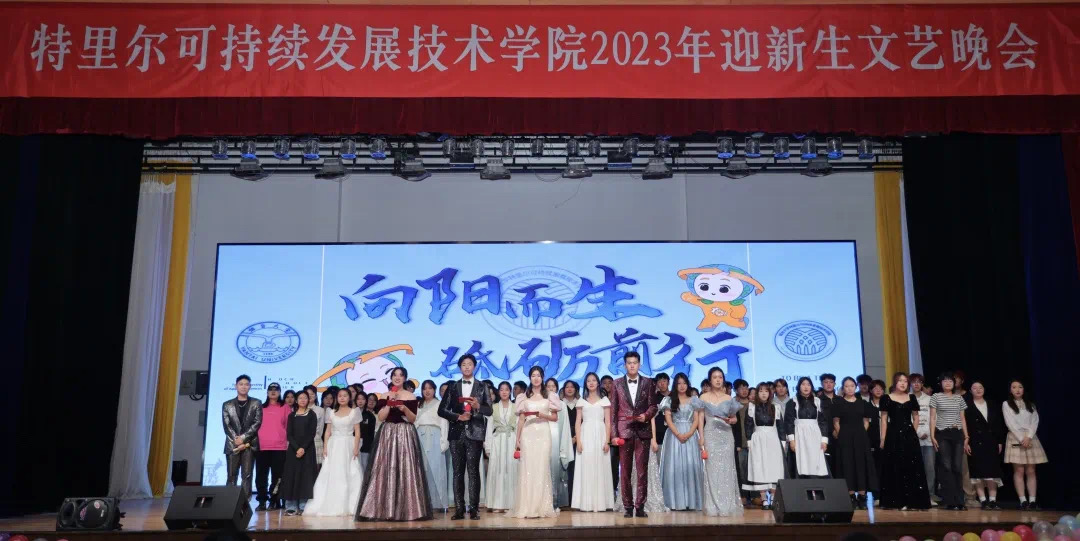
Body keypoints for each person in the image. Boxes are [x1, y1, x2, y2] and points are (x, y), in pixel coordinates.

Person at [356, 366, 433, 521]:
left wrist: (404, 408)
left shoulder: (410, 396)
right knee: (385, 469)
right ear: (391, 378)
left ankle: (409, 510)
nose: (397, 377)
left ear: (404, 378)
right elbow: (381, 417)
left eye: (401, 375)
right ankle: (383, 510)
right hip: (388, 433)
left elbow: (412, 419)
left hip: (405, 433)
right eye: (395, 375)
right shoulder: (384, 395)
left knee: (407, 469)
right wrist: (389, 404)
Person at [437, 354, 493, 520]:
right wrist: (457, 417)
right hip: (456, 434)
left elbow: (489, 410)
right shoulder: (453, 387)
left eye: (469, 364)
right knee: (457, 472)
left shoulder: (482, 386)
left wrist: (478, 406)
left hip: (475, 433)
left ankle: (474, 509)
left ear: (474, 366)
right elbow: (441, 410)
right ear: (460, 367)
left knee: (474, 471)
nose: (467, 367)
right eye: (463, 364)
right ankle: (459, 509)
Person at [609, 352, 658, 518]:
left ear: (639, 365)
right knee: (625, 472)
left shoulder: (648, 382)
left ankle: (640, 506)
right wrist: (614, 435)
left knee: (642, 471)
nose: (632, 365)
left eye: (635, 362)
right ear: (625, 365)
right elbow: (613, 411)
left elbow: (653, 406)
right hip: (624, 432)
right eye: (629, 363)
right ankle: (628, 507)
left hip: (643, 431)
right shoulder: (616, 383)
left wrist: (646, 415)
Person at [510, 366, 562, 518]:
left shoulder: (550, 396)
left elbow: (555, 418)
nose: (536, 378)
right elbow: (521, 419)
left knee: (542, 467)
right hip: (528, 433)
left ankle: (541, 506)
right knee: (528, 468)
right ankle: (527, 506)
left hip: (543, 433)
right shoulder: (523, 397)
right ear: (530, 378)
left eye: (538, 375)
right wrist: (517, 439)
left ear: (542, 377)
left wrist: (542, 415)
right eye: (533, 375)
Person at [691, 367, 743, 517]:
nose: (718, 380)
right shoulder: (703, 397)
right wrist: (701, 438)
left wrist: (731, 420)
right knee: (712, 470)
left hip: (726, 436)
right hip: (710, 435)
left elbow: (734, 418)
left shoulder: (729, 398)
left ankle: (727, 505)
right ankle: (713, 505)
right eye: (715, 377)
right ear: (710, 380)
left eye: (720, 377)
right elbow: (700, 419)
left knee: (727, 470)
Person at [304, 388, 363, 516]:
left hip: (348, 444)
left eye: (345, 396)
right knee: (331, 472)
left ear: (349, 398)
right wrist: (325, 447)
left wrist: (356, 447)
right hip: (334, 445)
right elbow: (327, 431)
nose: (342, 398)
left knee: (349, 472)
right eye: (340, 396)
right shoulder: (331, 412)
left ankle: (350, 505)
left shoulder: (355, 412)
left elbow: (357, 432)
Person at [878, 373, 931, 510]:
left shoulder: (911, 397)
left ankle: (913, 501)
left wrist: (912, 431)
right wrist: (883, 438)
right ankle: (896, 500)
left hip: (909, 435)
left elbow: (916, 416)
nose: (903, 383)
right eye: (900, 381)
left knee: (912, 466)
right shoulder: (886, 398)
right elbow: (884, 419)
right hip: (892, 435)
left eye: (905, 381)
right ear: (895, 382)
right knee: (894, 465)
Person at [571, 372, 616, 512]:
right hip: (585, 435)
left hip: (601, 435)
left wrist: (607, 441)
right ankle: (585, 502)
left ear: (598, 383)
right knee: (586, 466)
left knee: (601, 466)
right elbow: (578, 423)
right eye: (588, 381)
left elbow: (608, 422)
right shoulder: (581, 401)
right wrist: (579, 441)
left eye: (594, 380)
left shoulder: (604, 401)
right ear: (585, 384)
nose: (591, 383)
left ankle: (602, 502)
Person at [832, 377, 878, 509]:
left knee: (861, 465)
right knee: (847, 465)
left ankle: (862, 497)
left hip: (861, 438)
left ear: (855, 387)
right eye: (847, 386)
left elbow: (866, 421)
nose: (849, 388)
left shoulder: (862, 403)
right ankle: (851, 496)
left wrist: (861, 433)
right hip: (844, 438)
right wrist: (842, 435)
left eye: (852, 386)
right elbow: (836, 422)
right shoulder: (838, 403)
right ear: (843, 388)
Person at [659, 373, 702, 510]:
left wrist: (689, 433)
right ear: (675, 385)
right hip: (673, 435)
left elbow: (696, 419)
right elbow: (668, 419)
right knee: (675, 466)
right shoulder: (669, 400)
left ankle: (691, 501)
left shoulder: (694, 400)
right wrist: (678, 434)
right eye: (679, 383)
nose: (682, 386)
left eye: (684, 383)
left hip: (690, 435)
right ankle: (674, 501)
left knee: (690, 465)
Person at [1002, 379, 1046, 510]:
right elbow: (1010, 422)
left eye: (1020, 387)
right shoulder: (1006, 404)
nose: (1017, 390)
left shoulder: (1030, 405)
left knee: (1031, 470)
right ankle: (1023, 500)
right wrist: (1022, 438)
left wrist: (1029, 436)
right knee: (1019, 470)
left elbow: (1035, 421)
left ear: (1024, 389)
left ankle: (1032, 500)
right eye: (1014, 387)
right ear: (1010, 390)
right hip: (1016, 437)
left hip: (1030, 437)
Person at [929, 372, 970, 510]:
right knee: (946, 466)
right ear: (940, 383)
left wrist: (966, 436)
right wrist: (932, 435)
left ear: (954, 383)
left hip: (957, 433)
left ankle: (960, 501)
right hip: (942, 433)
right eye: (945, 381)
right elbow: (933, 417)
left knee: (957, 467)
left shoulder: (959, 398)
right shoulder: (936, 396)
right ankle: (950, 500)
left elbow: (963, 418)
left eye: (950, 381)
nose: (947, 383)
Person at [744, 382, 786, 510]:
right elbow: (748, 425)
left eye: (766, 391)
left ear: (770, 393)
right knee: (759, 468)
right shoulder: (752, 407)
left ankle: (773, 499)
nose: (763, 394)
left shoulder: (775, 407)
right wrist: (749, 442)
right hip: (758, 439)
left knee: (774, 468)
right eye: (761, 391)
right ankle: (764, 500)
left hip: (773, 439)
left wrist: (783, 443)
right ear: (757, 393)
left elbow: (780, 426)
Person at [222, 374, 262, 503]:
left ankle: (244, 504)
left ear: (250, 386)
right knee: (231, 475)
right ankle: (229, 502)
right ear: (236, 386)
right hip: (232, 444)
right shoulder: (227, 405)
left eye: (246, 384)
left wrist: (244, 438)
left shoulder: (256, 403)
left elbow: (257, 423)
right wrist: (236, 439)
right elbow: (227, 425)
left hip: (249, 445)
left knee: (247, 475)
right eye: (241, 384)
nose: (244, 386)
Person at [965, 380, 1004, 509]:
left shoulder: (991, 404)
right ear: (970, 391)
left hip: (991, 440)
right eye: (975, 388)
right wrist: (966, 441)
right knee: (978, 472)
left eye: (980, 387)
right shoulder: (967, 405)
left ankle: (992, 500)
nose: (978, 390)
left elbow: (998, 423)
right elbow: (965, 425)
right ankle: (983, 500)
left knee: (992, 472)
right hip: (975, 441)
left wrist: (999, 441)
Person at [784, 377, 830, 478]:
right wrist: (792, 440)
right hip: (799, 435)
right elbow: (789, 422)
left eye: (808, 384)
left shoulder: (817, 401)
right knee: (801, 461)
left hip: (815, 435)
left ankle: (817, 486)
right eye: (803, 384)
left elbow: (822, 422)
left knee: (816, 461)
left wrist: (824, 440)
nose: (806, 387)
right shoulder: (792, 402)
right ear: (799, 387)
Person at [281, 391, 317, 515]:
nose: (302, 400)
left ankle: (303, 505)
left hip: (307, 450)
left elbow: (311, 434)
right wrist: (297, 448)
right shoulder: (292, 415)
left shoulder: (312, 414)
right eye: (300, 398)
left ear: (308, 400)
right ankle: (290, 505)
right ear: (296, 400)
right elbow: (289, 434)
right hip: (293, 450)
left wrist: (303, 448)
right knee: (291, 476)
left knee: (305, 477)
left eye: (305, 398)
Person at [416, 380, 450, 512]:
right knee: (421, 471)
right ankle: (422, 504)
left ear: (434, 390)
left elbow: (444, 423)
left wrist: (444, 441)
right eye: (424, 388)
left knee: (436, 470)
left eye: (430, 388)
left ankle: (438, 503)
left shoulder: (440, 404)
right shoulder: (419, 405)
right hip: (420, 436)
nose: (427, 391)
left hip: (435, 437)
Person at [485, 382, 518, 512]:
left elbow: (519, 426)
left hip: (511, 439)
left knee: (511, 469)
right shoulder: (493, 407)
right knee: (497, 470)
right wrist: (488, 446)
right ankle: (497, 504)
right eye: (502, 390)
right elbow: (489, 428)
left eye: (507, 389)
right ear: (498, 392)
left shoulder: (516, 407)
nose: (504, 392)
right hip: (497, 440)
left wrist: (519, 443)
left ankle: (512, 504)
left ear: (510, 392)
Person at [256, 382, 289, 511]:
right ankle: (262, 501)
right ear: (267, 392)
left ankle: (274, 500)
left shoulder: (285, 407)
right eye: (270, 390)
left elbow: (288, 426)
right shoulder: (260, 407)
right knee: (261, 476)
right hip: (262, 446)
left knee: (277, 476)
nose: (273, 392)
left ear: (280, 392)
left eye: (276, 390)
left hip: (279, 447)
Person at [544, 377, 573, 508]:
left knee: (557, 469)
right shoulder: (542, 403)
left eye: (553, 386)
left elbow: (565, 426)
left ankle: (557, 501)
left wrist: (564, 446)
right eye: (548, 386)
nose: (551, 389)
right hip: (544, 439)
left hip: (558, 440)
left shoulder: (562, 405)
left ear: (557, 388)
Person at [909, 373, 936, 505]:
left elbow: (933, 417)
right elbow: (907, 418)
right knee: (914, 467)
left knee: (930, 468)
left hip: (929, 439)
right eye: (914, 382)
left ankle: (929, 495)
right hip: (913, 438)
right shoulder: (907, 398)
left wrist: (928, 432)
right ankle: (914, 495)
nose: (916, 384)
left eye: (919, 382)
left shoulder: (930, 399)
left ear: (922, 384)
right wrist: (918, 432)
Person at [731, 379, 753, 506]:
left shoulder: (753, 405)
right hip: (740, 444)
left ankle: (755, 495)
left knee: (753, 470)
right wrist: (736, 443)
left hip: (753, 443)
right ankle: (743, 495)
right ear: (736, 390)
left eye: (746, 388)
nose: (744, 390)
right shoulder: (733, 406)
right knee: (741, 471)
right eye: (741, 388)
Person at [562, 380, 580, 505]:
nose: (569, 389)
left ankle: (574, 499)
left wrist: (575, 437)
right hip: (563, 437)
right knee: (564, 468)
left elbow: (583, 422)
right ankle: (564, 499)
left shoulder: (580, 403)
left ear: (576, 389)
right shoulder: (560, 404)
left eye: (572, 387)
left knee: (575, 469)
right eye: (567, 387)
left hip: (577, 438)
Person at [600, 374, 619, 498]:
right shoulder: (598, 400)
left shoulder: (618, 399)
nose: (607, 385)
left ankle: (612, 489)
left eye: (610, 382)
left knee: (613, 464)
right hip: (600, 435)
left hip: (615, 436)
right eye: (604, 383)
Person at [817, 373, 839, 474]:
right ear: (822, 384)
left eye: (831, 382)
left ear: (835, 384)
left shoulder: (840, 399)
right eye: (826, 382)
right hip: (824, 436)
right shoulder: (818, 401)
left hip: (840, 435)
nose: (829, 384)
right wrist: (831, 430)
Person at [772, 379, 793, 479]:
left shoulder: (793, 402)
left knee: (791, 463)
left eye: (783, 386)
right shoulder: (771, 403)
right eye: (778, 386)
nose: (781, 389)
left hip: (792, 437)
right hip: (776, 436)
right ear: (775, 389)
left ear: (787, 388)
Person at [867, 380, 886, 485]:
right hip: (872, 442)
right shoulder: (867, 406)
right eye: (875, 388)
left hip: (887, 441)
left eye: (881, 388)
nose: (878, 390)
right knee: (874, 467)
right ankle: (876, 491)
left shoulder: (888, 405)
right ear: (871, 390)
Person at [355, 391, 376, 466]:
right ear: (355, 400)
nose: (360, 401)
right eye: (358, 399)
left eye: (363, 399)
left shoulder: (370, 416)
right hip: (352, 444)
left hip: (365, 446)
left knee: (364, 465)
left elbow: (371, 434)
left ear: (366, 401)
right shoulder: (352, 413)